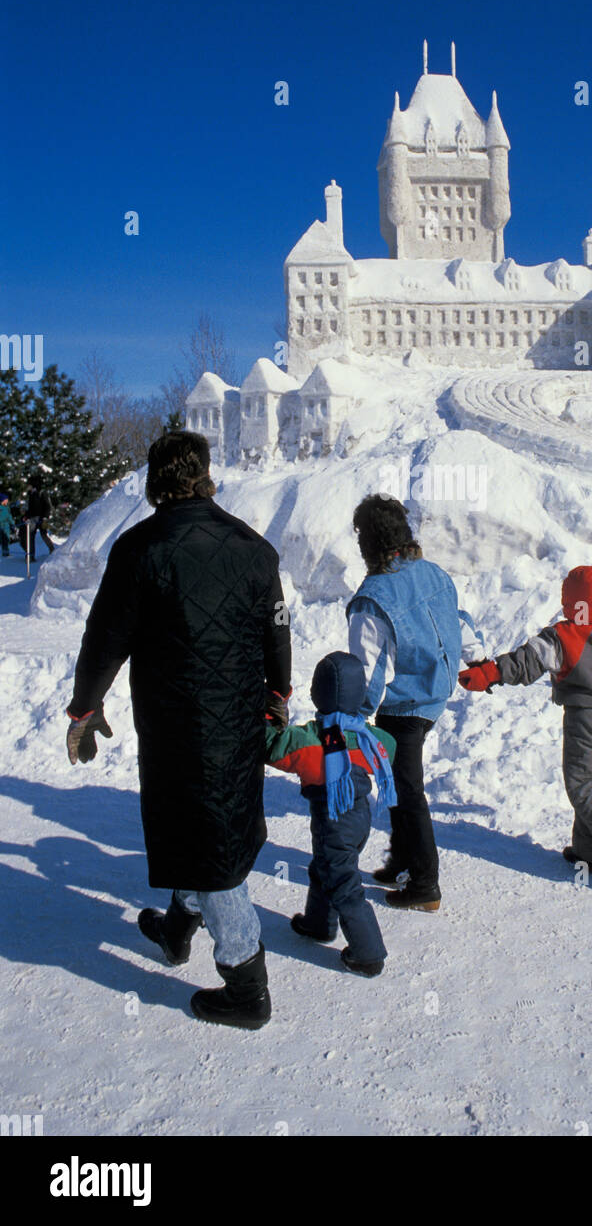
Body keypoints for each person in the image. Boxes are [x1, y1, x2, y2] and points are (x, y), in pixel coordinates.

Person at [65, 430, 292, 1029]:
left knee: (211, 848)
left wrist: (84, 707)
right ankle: (174, 931)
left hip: (176, 725)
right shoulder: (253, 547)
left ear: (156, 479)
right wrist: (278, 695)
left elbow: (104, 639)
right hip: (239, 722)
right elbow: (277, 630)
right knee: (213, 827)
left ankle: (246, 985)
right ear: (206, 474)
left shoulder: (139, 548)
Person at [459, 565, 592, 881]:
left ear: (572, 600)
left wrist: (489, 673)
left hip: (582, 719)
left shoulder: (561, 637)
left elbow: (524, 663)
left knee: (582, 788)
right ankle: (587, 854)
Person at [346, 494, 482, 913]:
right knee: (398, 781)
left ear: (368, 541)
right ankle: (401, 861)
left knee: (407, 788)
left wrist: (354, 715)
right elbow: (457, 621)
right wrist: (476, 657)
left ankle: (425, 883)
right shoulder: (435, 574)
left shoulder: (373, 597)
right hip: (433, 695)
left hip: (401, 704)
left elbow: (368, 668)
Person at [266, 651, 396, 977]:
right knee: (324, 867)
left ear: (317, 693)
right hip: (361, 818)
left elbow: (272, 748)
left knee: (343, 884)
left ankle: (369, 954)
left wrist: (266, 719)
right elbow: (390, 747)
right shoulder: (366, 736)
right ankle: (317, 924)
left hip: (333, 818)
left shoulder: (311, 740)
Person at [26, 475, 55, 556]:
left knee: (43, 535)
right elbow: (31, 508)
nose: (28, 486)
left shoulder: (42, 492)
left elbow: (47, 506)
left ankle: (52, 550)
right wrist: (27, 516)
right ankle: (30, 555)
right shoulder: (31, 494)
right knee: (30, 536)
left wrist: (45, 517)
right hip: (32, 518)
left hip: (42, 518)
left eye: (29, 484)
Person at [0, 493, 14, 558]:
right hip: (2, 525)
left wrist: (12, 524)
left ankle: (6, 553)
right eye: (6, 499)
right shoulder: (2, 508)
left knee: (6, 539)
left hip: (6, 526)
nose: (7, 501)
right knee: (4, 539)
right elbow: (7, 517)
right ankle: (5, 553)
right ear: (3, 500)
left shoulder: (7, 507)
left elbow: (9, 517)